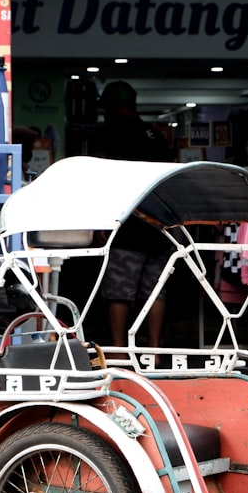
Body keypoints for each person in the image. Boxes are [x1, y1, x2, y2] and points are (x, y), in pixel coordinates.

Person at [90, 80, 175, 350]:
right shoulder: (155, 135)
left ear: (118, 107)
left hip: (126, 224)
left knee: (119, 289)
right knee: (155, 289)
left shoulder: (110, 135)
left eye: (107, 107)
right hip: (160, 225)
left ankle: (118, 348)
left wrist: (101, 220)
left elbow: (102, 179)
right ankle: (154, 350)